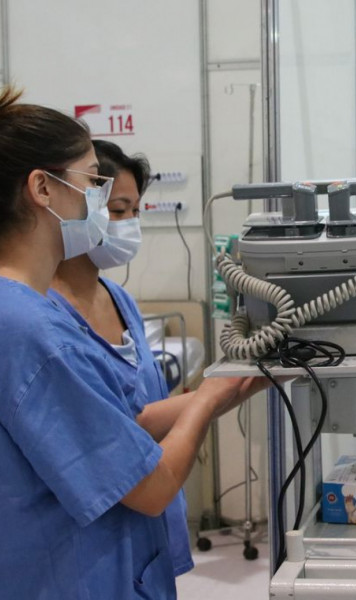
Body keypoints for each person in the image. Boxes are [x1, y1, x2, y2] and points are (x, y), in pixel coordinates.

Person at [0, 87, 267, 599]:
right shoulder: (33, 330)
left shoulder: (23, 315)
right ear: (43, 189)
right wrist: (209, 399)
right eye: (93, 184)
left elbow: (117, 425)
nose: (102, 204)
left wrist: (234, 384)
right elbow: (153, 487)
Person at [47, 140, 194, 577]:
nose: (129, 224)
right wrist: (210, 399)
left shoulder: (120, 299)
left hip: (148, 517)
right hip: (90, 534)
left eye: (136, 211)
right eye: (117, 210)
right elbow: (115, 432)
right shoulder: (42, 314)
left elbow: (141, 414)